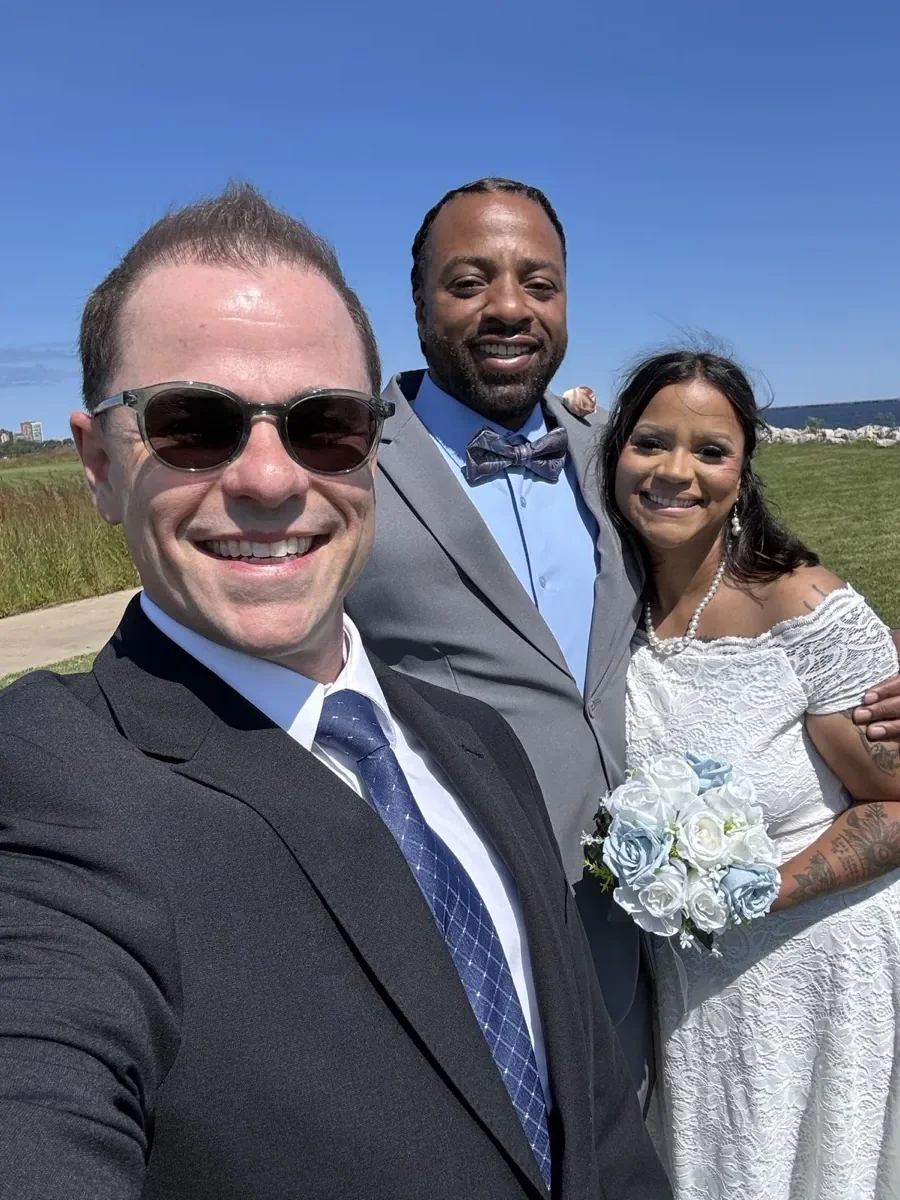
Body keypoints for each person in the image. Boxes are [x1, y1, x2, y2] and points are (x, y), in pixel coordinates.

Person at [0, 186, 670, 1200]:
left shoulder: (475, 745)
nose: (268, 478)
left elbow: (599, 1125)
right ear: (98, 461)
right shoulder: (54, 788)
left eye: (324, 424)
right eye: (193, 424)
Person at [345, 176, 900, 1097]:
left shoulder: (613, 455)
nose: (509, 308)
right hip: (460, 921)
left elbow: (743, 585)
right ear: (415, 301)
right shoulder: (350, 469)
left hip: (644, 942)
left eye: (540, 282)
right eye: (470, 281)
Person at [598, 348, 900, 1199]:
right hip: (692, 990)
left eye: (710, 451)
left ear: (743, 471)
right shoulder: (607, 604)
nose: (676, 472)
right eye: (652, 443)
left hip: (825, 973)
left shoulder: (799, 605)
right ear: (615, 451)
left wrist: (758, 891)